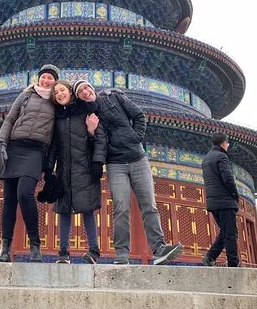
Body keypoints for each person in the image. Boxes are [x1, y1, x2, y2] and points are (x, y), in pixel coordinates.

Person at [74, 80, 183, 265]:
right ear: (79, 98)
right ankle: (122, 253)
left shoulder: (113, 97)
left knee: (149, 205)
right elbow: (93, 146)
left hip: (138, 159)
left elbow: (139, 115)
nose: (85, 92)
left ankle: (159, 249)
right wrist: (91, 132)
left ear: (91, 87)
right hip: (115, 164)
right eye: (80, 92)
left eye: (86, 87)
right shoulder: (87, 117)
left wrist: (136, 137)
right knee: (121, 208)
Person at [0, 64, 60, 263]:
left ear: (55, 81)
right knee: (9, 200)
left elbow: (57, 137)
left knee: (24, 193)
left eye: (50, 78)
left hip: (36, 151)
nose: (46, 81)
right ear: (38, 78)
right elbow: (10, 119)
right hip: (14, 147)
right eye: (43, 77)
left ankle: (35, 245)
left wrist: (50, 166)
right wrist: (1, 144)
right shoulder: (25, 95)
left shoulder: (56, 102)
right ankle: (4, 249)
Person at [47, 80, 107, 264]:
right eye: (56, 92)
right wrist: (49, 169)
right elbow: (54, 146)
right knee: (64, 210)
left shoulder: (86, 111)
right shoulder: (57, 116)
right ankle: (63, 252)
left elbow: (100, 138)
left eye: (62, 90)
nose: (59, 94)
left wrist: (98, 163)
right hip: (64, 169)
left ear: (70, 92)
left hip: (85, 168)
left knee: (87, 209)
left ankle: (94, 251)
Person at [201, 132, 240, 268]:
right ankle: (233, 263)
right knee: (231, 233)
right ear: (224, 143)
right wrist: (235, 195)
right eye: (227, 143)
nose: (228, 145)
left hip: (213, 202)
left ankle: (210, 256)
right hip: (225, 201)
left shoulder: (206, 159)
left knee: (225, 231)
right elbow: (228, 178)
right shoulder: (222, 156)